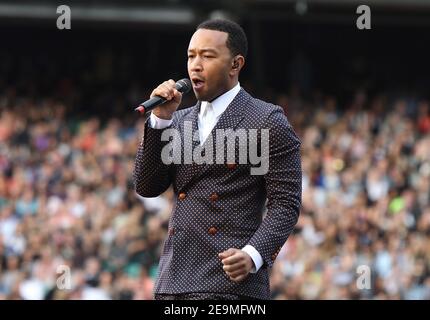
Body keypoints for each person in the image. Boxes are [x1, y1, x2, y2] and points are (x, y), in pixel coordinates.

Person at [134, 19, 302, 300]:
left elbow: (286, 203)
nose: (195, 65)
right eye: (191, 56)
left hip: (231, 284)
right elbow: (147, 187)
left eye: (207, 56)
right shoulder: (178, 121)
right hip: (173, 280)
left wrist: (253, 254)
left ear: (235, 65)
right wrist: (160, 121)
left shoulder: (266, 120)